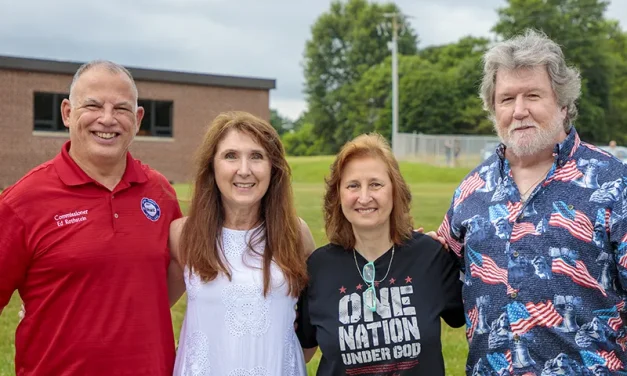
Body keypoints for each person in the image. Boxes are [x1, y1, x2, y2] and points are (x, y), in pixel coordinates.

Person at [434, 29, 627, 374]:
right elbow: (437, 273)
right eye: (507, 99)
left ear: (563, 103)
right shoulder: (471, 190)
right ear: (493, 108)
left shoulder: (614, 182)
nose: (519, 110)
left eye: (533, 95)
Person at [0, 60, 182, 375]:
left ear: (137, 119)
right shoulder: (23, 201)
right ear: (68, 112)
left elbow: (173, 274)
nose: (107, 119)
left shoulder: (159, 192)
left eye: (122, 109)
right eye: (93, 105)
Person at [297, 133, 464, 375]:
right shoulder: (319, 267)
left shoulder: (430, 256)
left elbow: (475, 314)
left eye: (376, 184)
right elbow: (300, 349)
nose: (364, 197)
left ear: (395, 191)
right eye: (353, 185)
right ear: (338, 196)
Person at [167, 111, 316, 375]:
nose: (244, 170)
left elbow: (315, 321)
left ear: (274, 168)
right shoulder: (183, 234)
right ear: (212, 166)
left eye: (257, 156)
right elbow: (150, 307)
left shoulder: (295, 233)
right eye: (231, 156)